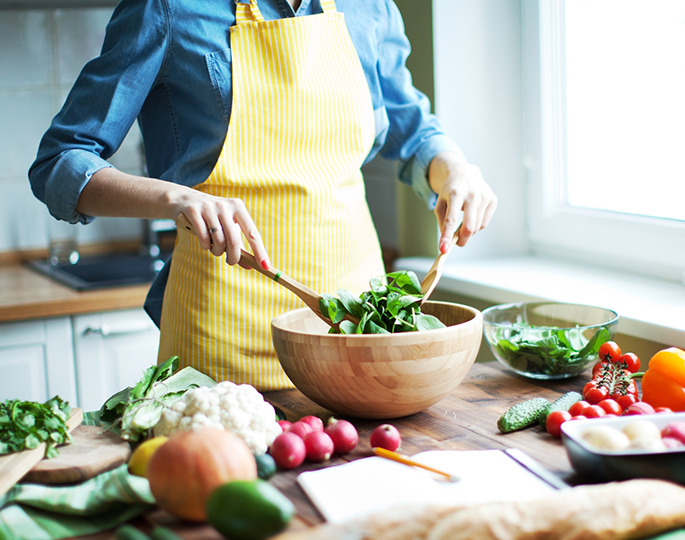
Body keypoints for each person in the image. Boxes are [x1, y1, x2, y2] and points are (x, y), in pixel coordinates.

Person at [29, 0, 497, 390]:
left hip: (357, 329)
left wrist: (455, 169)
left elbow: (413, 131)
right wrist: (175, 199)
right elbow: (61, 162)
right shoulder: (166, 8)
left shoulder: (368, 7)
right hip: (222, 335)